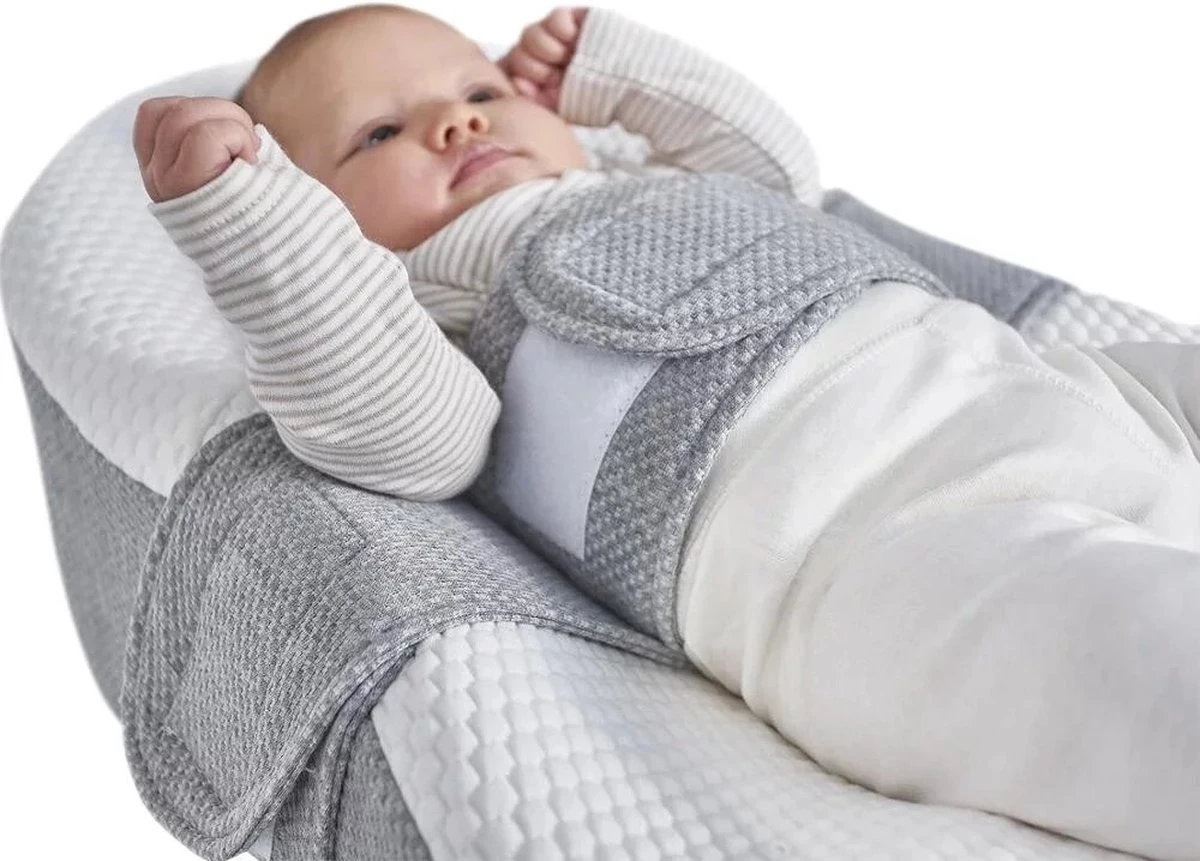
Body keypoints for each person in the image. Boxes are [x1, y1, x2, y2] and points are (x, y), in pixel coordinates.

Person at [132, 5, 1200, 859]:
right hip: (868, 551)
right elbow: (412, 440)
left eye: (481, 91)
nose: (455, 123)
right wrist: (259, 231)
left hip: (1047, 388)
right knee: (1117, 665)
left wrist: (610, 69)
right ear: (321, 221)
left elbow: (782, 168)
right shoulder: (432, 314)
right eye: (378, 134)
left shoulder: (653, 183)